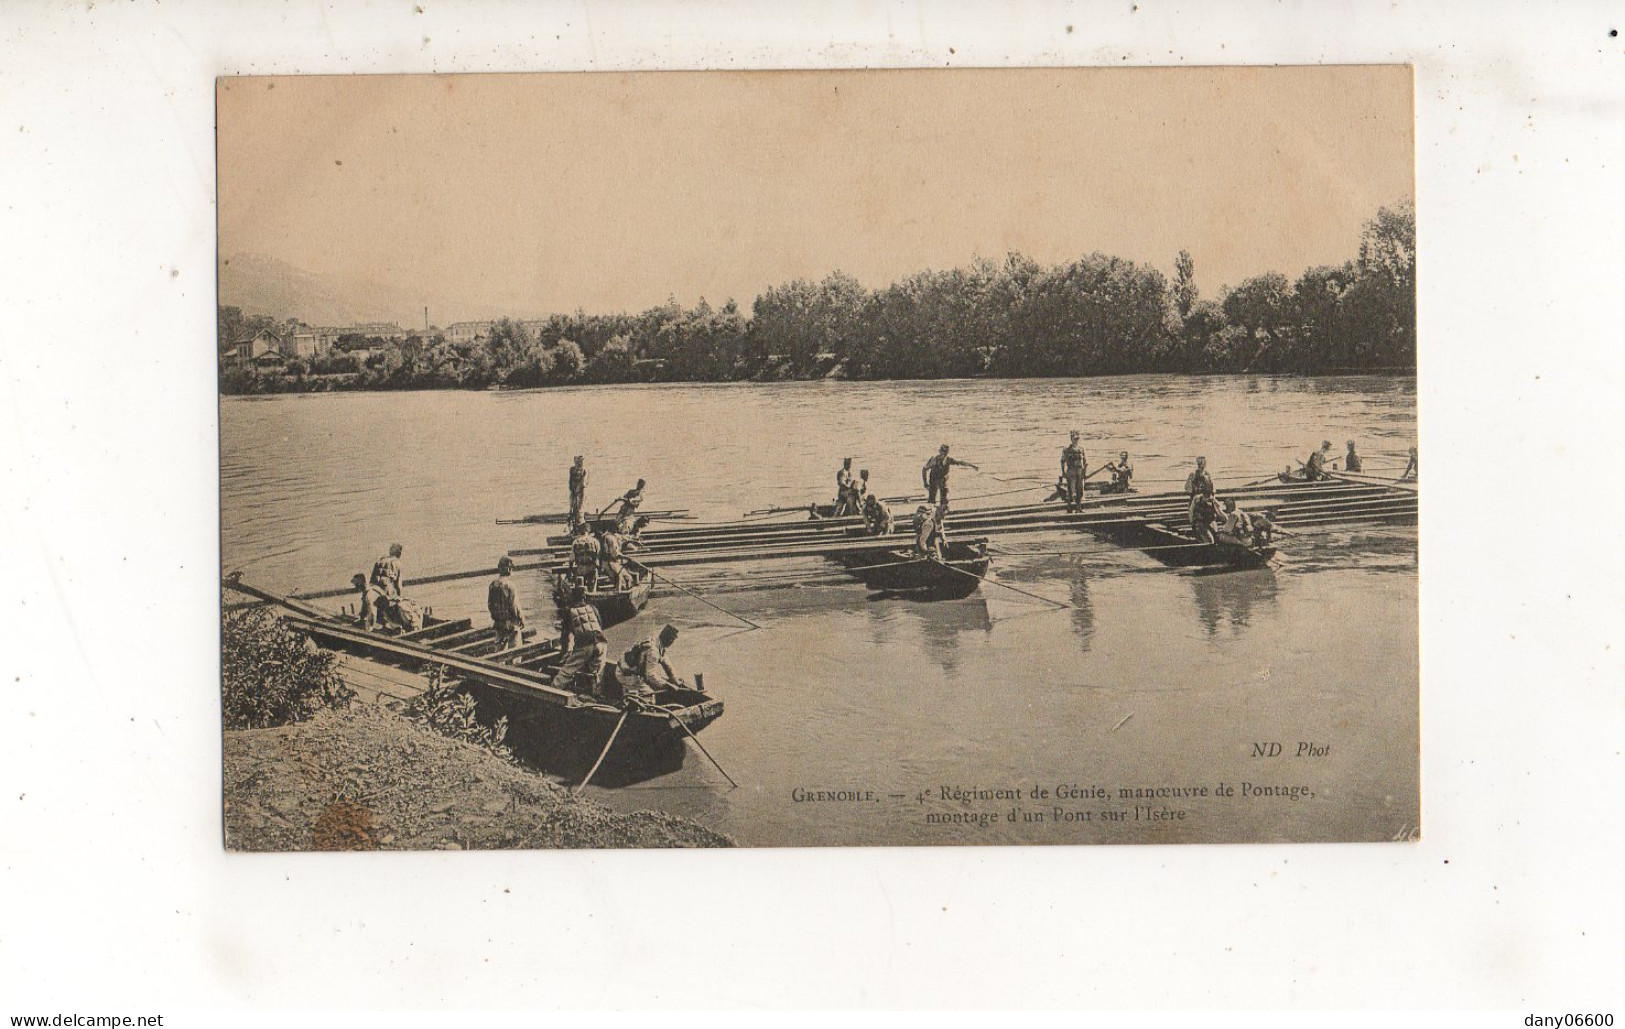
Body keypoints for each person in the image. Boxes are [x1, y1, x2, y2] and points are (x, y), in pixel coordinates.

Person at [552, 584, 607, 696]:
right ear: (585, 598)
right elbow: (599, 626)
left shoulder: (569, 612)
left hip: (585, 645)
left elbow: (566, 637)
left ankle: (553, 691)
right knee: (597, 674)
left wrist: (565, 654)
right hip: (601, 643)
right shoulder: (593, 609)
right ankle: (596, 696)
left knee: (566, 672)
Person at [614, 624, 686, 704]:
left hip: (630, 670)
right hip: (625, 674)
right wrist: (666, 685)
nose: (672, 642)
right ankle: (631, 703)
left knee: (654, 684)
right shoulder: (653, 652)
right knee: (649, 696)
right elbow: (650, 674)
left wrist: (675, 680)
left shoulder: (657, 643)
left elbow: (667, 665)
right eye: (672, 640)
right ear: (668, 639)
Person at [486, 556, 526, 650]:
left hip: (498, 622)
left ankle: (499, 661)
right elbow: (514, 606)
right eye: (511, 567)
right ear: (508, 569)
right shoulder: (510, 585)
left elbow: (489, 604)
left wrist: (496, 616)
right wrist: (521, 619)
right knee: (515, 647)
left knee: (499, 646)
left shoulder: (493, 584)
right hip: (510, 622)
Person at [921, 444, 977, 509]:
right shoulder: (934, 460)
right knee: (932, 498)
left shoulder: (949, 460)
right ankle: (931, 509)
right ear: (940, 452)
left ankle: (943, 509)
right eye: (942, 452)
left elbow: (960, 462)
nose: (943, 455)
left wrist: (972, 466)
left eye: (945, 453)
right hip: (934, 480)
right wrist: (925, 483)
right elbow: (924, 469)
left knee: (944, 496)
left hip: (942, 480)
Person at [598, 525, 641, 591]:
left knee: (628, 577)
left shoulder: (605, 537)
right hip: (610, 563)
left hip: (609, 562)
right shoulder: (611, 538)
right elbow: (615, 554)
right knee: (624, 579)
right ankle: (619, 592)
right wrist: (627, 558)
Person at [1184, 457, 1214, 532]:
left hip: (1205, 497)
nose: (1201, 465)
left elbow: (1212, 487)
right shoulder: (1193, 474)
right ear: (1197, 464)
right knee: (1193, 511)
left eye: (1203, 463)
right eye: (1200, 463)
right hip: (1195, 497)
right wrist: (1194, 491)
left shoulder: (1207, 474)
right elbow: (1187, 487)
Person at [1060, 431, 1087, 512]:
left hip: (1079, 470)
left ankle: (1078, 508)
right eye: (1074, 439)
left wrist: (1084, 472)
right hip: (1071, 470)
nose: (1076, 440)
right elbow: (1062, 461)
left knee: (1080, 490)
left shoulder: (1081, 449)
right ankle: (1069, 509)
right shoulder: (1066, 449)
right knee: (1070, 490)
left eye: (1077, 439)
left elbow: (1085, 461)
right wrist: (1063, 472)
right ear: (1071, 439)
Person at [569, 523, 601, 589]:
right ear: (589, 531)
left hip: (580, 568)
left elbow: (571, 559)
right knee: (592, 586)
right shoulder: (595, 541)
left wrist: (570, 569)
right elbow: (598, 556)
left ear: (580, 531)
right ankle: (592, 594)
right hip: (591, 568)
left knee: (578, 585)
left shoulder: (576, 542)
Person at [567, 456, 588, 528]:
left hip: (581, 491)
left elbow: (583, 482)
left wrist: (578, 489)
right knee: (573, 508)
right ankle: (574, 526)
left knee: (580, 509)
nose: (580, 463)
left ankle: (581, 527)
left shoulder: (584, 470)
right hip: (573, 491)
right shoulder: (572, 469)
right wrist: (572, 490)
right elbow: (570, 481)